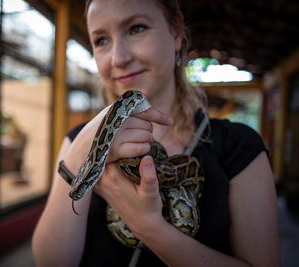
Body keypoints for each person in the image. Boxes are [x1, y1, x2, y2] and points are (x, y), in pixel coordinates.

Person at [32, 0, 281, 266]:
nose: (118, 58)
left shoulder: (239, 146)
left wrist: (149, 227)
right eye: (101, 40)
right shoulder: (77, 140)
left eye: (136, 28)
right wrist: (80, 153)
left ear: (175, 33)